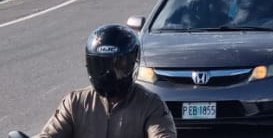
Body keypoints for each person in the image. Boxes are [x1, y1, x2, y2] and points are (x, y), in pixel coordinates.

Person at [36, 23, 177, 138]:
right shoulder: (75, 103)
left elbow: (162, 134)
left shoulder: (150, 105)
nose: (109, 74)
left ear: (132, 64)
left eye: (117, 66)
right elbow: (50, 134)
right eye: (101, 66)